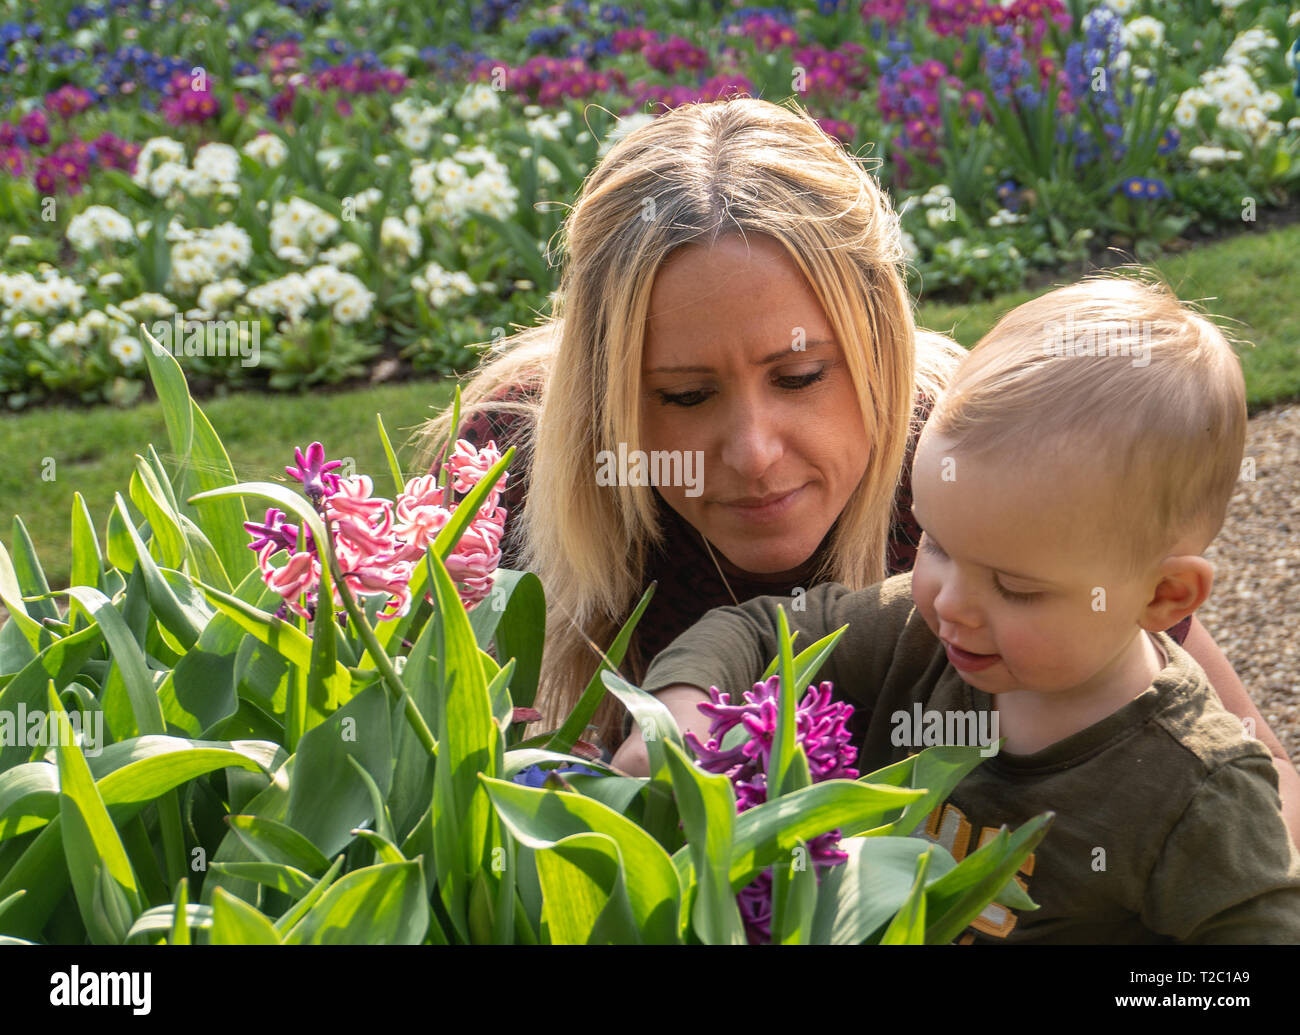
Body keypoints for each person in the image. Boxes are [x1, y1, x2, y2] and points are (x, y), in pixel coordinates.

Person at [409, 95, 1300, 841]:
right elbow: (410, 786)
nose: (754, 453)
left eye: (800, 376)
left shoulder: (971, 471)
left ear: (881, 341)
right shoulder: (512, 462)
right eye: (682, 394)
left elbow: (1258, 784)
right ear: (598, 394)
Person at [637, 276, 1300, 942]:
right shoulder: (915, 635)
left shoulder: (1198, 795)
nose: (951, 601)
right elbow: (759, 630)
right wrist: (679, 709)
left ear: (1164, 596)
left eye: (1014, 585)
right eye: (936, 544)